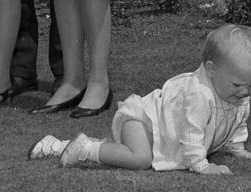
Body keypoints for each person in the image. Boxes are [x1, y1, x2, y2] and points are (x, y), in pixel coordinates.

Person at [29, 24, 251, 174]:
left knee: (123, 152)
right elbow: (192, 131)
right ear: (211, 70)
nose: (245, 92)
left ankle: (58, 146)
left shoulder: (235, 91)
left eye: (250, 85)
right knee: (139, 159)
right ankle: (85, 149)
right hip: (142, 121)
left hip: (160, 132)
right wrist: (201, 165)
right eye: (238, 85)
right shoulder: (199, 95)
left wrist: (236, 147)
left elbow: (237, 119)